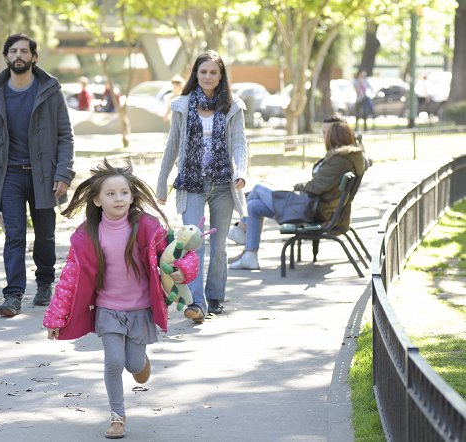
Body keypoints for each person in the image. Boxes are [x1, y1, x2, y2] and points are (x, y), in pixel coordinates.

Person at [43, 159, 196, 439]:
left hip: (140, 310)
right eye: (110, 194)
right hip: (108, 310)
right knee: (113, 361)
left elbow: (179, 254)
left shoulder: (148, 228)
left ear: (132, 196)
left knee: (133, 364)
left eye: (124, 192)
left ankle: (140, 362)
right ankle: (117, 416)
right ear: (98, 200)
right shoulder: (87, 235)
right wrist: (56, 318)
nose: (118, 198)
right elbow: (69, 280)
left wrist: (181, 271)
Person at [0, 33, 75, 317]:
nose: (18, 56)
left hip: (43, 176)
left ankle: (45, 282)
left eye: (24, 51)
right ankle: (13, 295)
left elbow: (65, 136)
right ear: (6, 56)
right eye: (13, 51)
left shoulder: (49, 91)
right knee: (14, 236)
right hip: (9, 176)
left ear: (34, 57)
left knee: (45, 236)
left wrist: (64, 173)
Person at [156, 50, 248, 324]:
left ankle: (215, 296)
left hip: (223, 185)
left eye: (213, 72)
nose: (208, 76)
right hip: (192, 183)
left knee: (219, 247)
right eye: (203, 71)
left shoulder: (233, 106)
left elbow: (240, 143)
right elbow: (172, 145)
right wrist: (161, 185)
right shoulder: (181, 106)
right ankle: (197, 303)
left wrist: (241, 171)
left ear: (221, 76)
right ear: (196, 74)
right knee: (194, 244)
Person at [229, 116, 367, 270]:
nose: (323, 137)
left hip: (314, 210)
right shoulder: (346, 158)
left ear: (336, 136)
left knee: (258, 189)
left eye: (326, 133)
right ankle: (250, 255)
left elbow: (316, 186)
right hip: (315, 206)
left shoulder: (340, 160)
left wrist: (297, 186)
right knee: (254, 205)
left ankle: (242, 228)